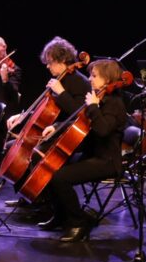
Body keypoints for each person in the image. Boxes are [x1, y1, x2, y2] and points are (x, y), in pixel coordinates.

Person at [35, 59, 127, 242]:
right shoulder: (99, 97)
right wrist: (58, 126)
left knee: (59, 177)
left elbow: (102, 129)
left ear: (108, 79)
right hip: (92, 155)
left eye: (94, 76)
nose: (90, 79)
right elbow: (81, 120)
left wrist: (93, 106)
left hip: (107, 161)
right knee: (51, 168)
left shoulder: (114, 103)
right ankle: (62, 216)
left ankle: (78, 223)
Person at [4, 37, 90, 211]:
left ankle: (44, 200)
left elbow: (80, 113)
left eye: (50, 62)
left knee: (35, 154)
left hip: (70, 137)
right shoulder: (60, 79)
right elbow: (43, 111)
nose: (47, 66)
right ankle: (25, 195)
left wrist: (62, 93)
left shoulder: (80, 82)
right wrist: (22, 117)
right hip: (52, 133)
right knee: (11, 147)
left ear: (63, 60)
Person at [0, 36, 21, 150]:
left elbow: (13, 95)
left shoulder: (15, 70)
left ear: (4, 47)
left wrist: (5, 80)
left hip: (3, 110)